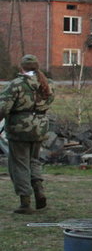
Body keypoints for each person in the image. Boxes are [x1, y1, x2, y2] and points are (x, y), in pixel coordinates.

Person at [1, 54, 55, 214]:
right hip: (40, 127)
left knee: (19, 163)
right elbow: (49, 101)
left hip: (19, 129)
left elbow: (3, 107)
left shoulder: (16, 84)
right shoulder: (48, 83)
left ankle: (25, 202)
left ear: (22, 67)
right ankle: (39, 189)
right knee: (34, 160)